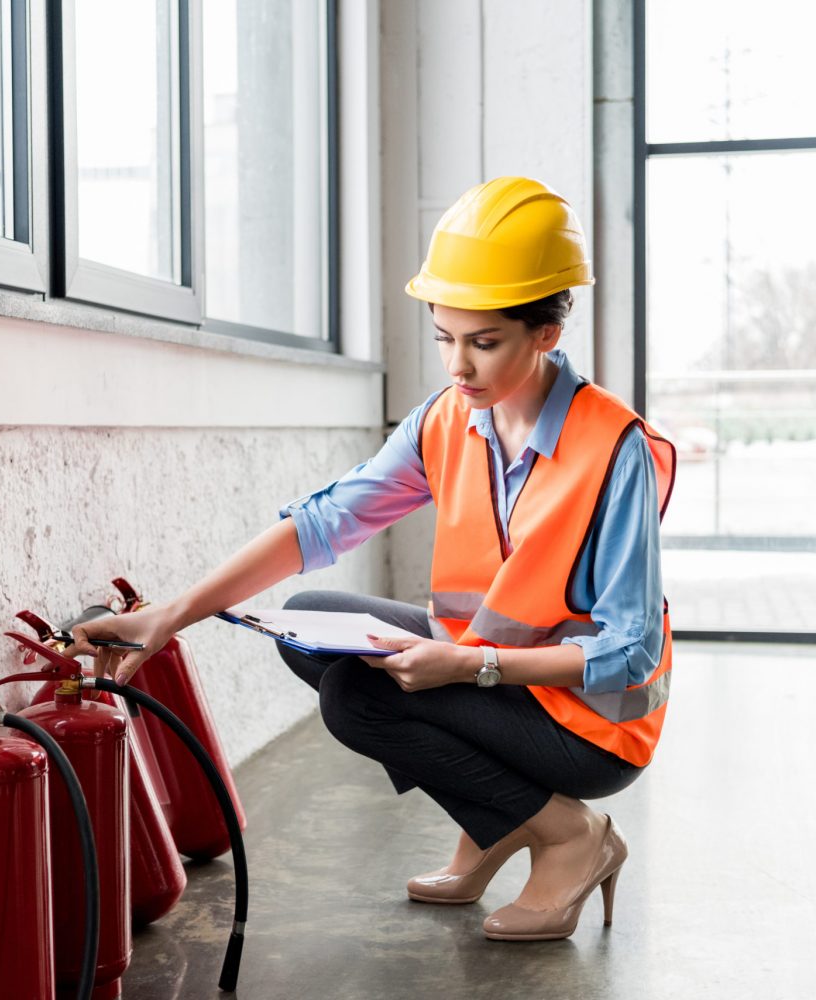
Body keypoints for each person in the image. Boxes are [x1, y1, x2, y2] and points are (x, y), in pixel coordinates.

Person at [66, 176, 676, 942]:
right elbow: (323, 523)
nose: (457, 367)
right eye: (444, 338)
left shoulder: (614, 449)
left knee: (357, 698)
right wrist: (172, 615)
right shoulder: (448, 421)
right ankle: (499, 821)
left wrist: (467, 668)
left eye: (483, 342)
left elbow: (628, 651)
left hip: (591, 726)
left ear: (546, 334)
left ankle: (569, 836)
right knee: (308, 622)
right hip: (491, 671)